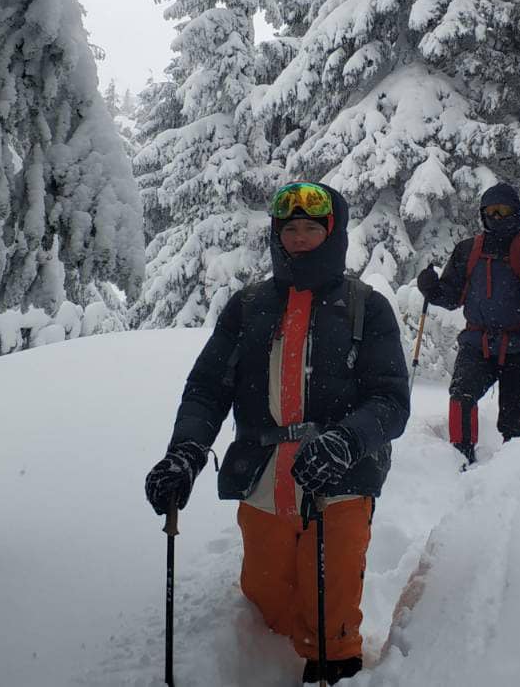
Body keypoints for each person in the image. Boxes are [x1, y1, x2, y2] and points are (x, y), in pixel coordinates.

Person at [143, 181, 410, 684]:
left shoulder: (365, 306)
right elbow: (206, 390)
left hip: (340, 483)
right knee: (267, 604)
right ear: (276, 235)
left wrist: (345, 441)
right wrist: (185, 453)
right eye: (291, 229)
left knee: (330, 618)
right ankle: (270, 669)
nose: (301, 238)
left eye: (313, 228)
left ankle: (335, 668)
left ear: (333, 234)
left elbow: (392, 402)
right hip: (262, 480)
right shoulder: (248, 306)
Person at [416, 183, 520, 466]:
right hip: (477, 342)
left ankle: (513, 468)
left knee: (516, 419)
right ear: (482, 214)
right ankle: (458, 457)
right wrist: (431, 289)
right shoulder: (468, 250)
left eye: (503, 210)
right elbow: (451, 296)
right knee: (461, 395)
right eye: (490, 211)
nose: (496, 217)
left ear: (516, 213)